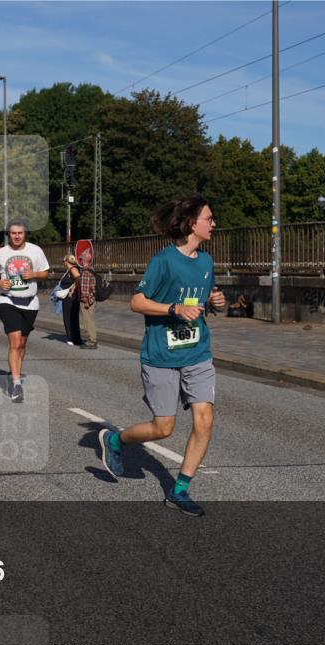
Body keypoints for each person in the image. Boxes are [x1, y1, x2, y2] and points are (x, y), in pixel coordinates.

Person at [98, 196, 225, 518]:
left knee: (205, 420)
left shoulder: (207, 261)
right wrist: (173, 308)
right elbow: (137, 302)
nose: (214, 224)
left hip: (197, 352)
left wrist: (215, 301)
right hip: (161, 355)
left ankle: (180, 489)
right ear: (191, 223)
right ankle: (115, 441)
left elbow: (200, 299)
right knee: (163, 428)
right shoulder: (163, 261)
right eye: (209, 218)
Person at [0, 221, 49, 403]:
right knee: (15, 340)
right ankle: (16, 383)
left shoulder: (35, 251)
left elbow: (45, 272)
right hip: (8, 301)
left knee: (22, 342)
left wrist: (34, 275)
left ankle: (15, 374)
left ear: (25, 233)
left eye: (20, 233)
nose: (17, 236)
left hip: (30, 303)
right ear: (9, 234)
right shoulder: (1, 254)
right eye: (13, 233)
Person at [77, 246, 98, 349]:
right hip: (93, 298)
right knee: (90, 319)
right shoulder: (92, 269)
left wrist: (84, 299)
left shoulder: (85, 271)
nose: (80, 260)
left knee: (88, 321)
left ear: (84, 259)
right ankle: (92, 339)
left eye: (81, 259)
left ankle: (92, 341)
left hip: (87, 300)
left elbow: (85, 287)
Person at [59, 256, 83, 346]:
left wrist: (73, 288)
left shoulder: (72, 269)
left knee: (68, 317)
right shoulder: (69, 270)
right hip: (70, 297)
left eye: (63, 261)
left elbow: (78, 279)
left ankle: (71, 338)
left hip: (70, 297)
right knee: (72, 317)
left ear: (66, 261)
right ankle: (75, 338)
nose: (63, 263)